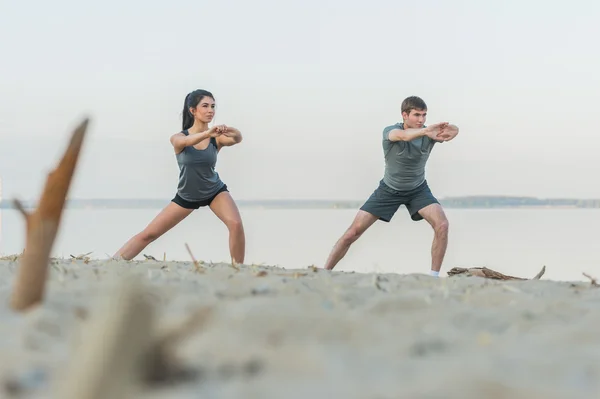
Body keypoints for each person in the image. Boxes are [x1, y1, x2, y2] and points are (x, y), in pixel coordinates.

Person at [322, 96, 459, 276]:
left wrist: (447, 129)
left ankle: (433, 277)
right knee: (352, 233)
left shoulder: (428, 133)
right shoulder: (391, 131)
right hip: (388, 190)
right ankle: (324, 272)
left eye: (424, 115)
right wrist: (426, 132)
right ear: (404, 115)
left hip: (418, 190)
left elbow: (454, 131)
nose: (421, 120)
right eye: (417, 115)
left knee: (442, 225)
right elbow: (401, 136)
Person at [114, 89, 245, 263]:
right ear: (193, 110)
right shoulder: (179, 137)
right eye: (205, 106)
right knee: (149, 234)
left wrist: (228, 129)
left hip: (215, 191)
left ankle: (239, 270)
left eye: (213, 106)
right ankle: (113, 263)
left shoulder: (217, 139)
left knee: (235, 225)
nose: (210, 110)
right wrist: (207, 133)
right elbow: (183, 142)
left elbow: (237, 138)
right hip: (187, 196)